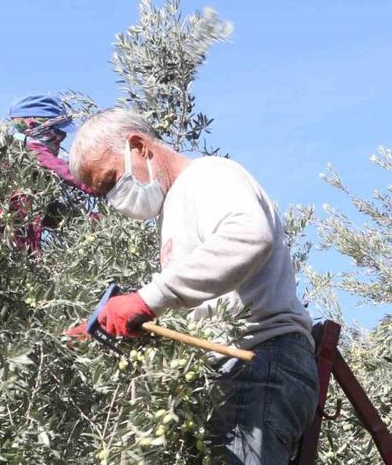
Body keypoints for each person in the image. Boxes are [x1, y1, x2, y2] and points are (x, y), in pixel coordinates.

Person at [64, 108, 319, 464]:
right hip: (233, 372)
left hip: (261, 361)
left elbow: (249, 236)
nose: (113, 198)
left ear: (138, 146)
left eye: (110, 181)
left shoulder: (208, 175)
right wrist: (116, 324)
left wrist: (147, 299)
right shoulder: (173, 212)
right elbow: (206, 299)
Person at [0, 94, 98, 254]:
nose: (61, 138)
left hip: (21, 246)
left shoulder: (26, 161)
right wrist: (101, 186)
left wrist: (92, 220)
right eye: (58, 132)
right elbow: (66, 172)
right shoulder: (29, 149)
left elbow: (50, 212)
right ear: (34, 125)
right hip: (6, 245)